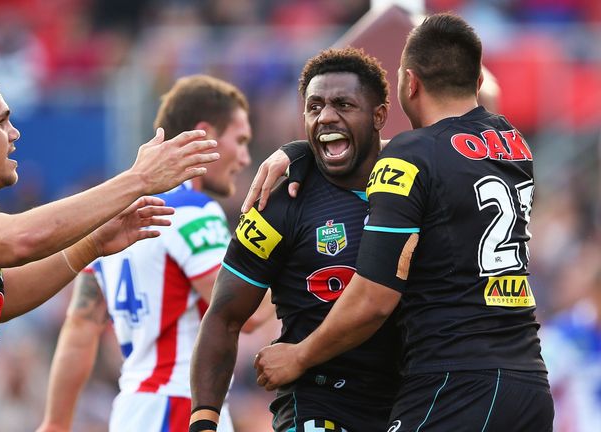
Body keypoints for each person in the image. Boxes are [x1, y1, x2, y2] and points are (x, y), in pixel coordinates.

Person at [0, 69, 219, 432]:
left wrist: (90, 244)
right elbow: (21, 239)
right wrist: (137, 180)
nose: (14, 134)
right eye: (1, 122)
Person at [252, 13, 554, 430]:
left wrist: (299, 355)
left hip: (454, 383)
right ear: (478, 84)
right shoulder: (512, 143)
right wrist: (306, 149)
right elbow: (446, 152)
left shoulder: (410, 157)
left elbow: (374, 298)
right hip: (530, 383)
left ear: (409, 83)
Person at [189, 48, 401, 432]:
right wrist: (204, 420)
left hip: (413, 403)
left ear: (379, 116)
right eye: (314, 106)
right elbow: (224, 317)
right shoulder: (279, 205)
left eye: (343, 104)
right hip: (321, 404)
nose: (326, 116)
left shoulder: (417, 185)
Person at [37, 75, 262, 432]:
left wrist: (55, 423)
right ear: (205, 134)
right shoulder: (192, 209)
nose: (245, 157)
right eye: (241, 140)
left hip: (132, 409)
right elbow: (242, 313)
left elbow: (81, 325)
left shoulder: (113, 215)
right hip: (180, 407)